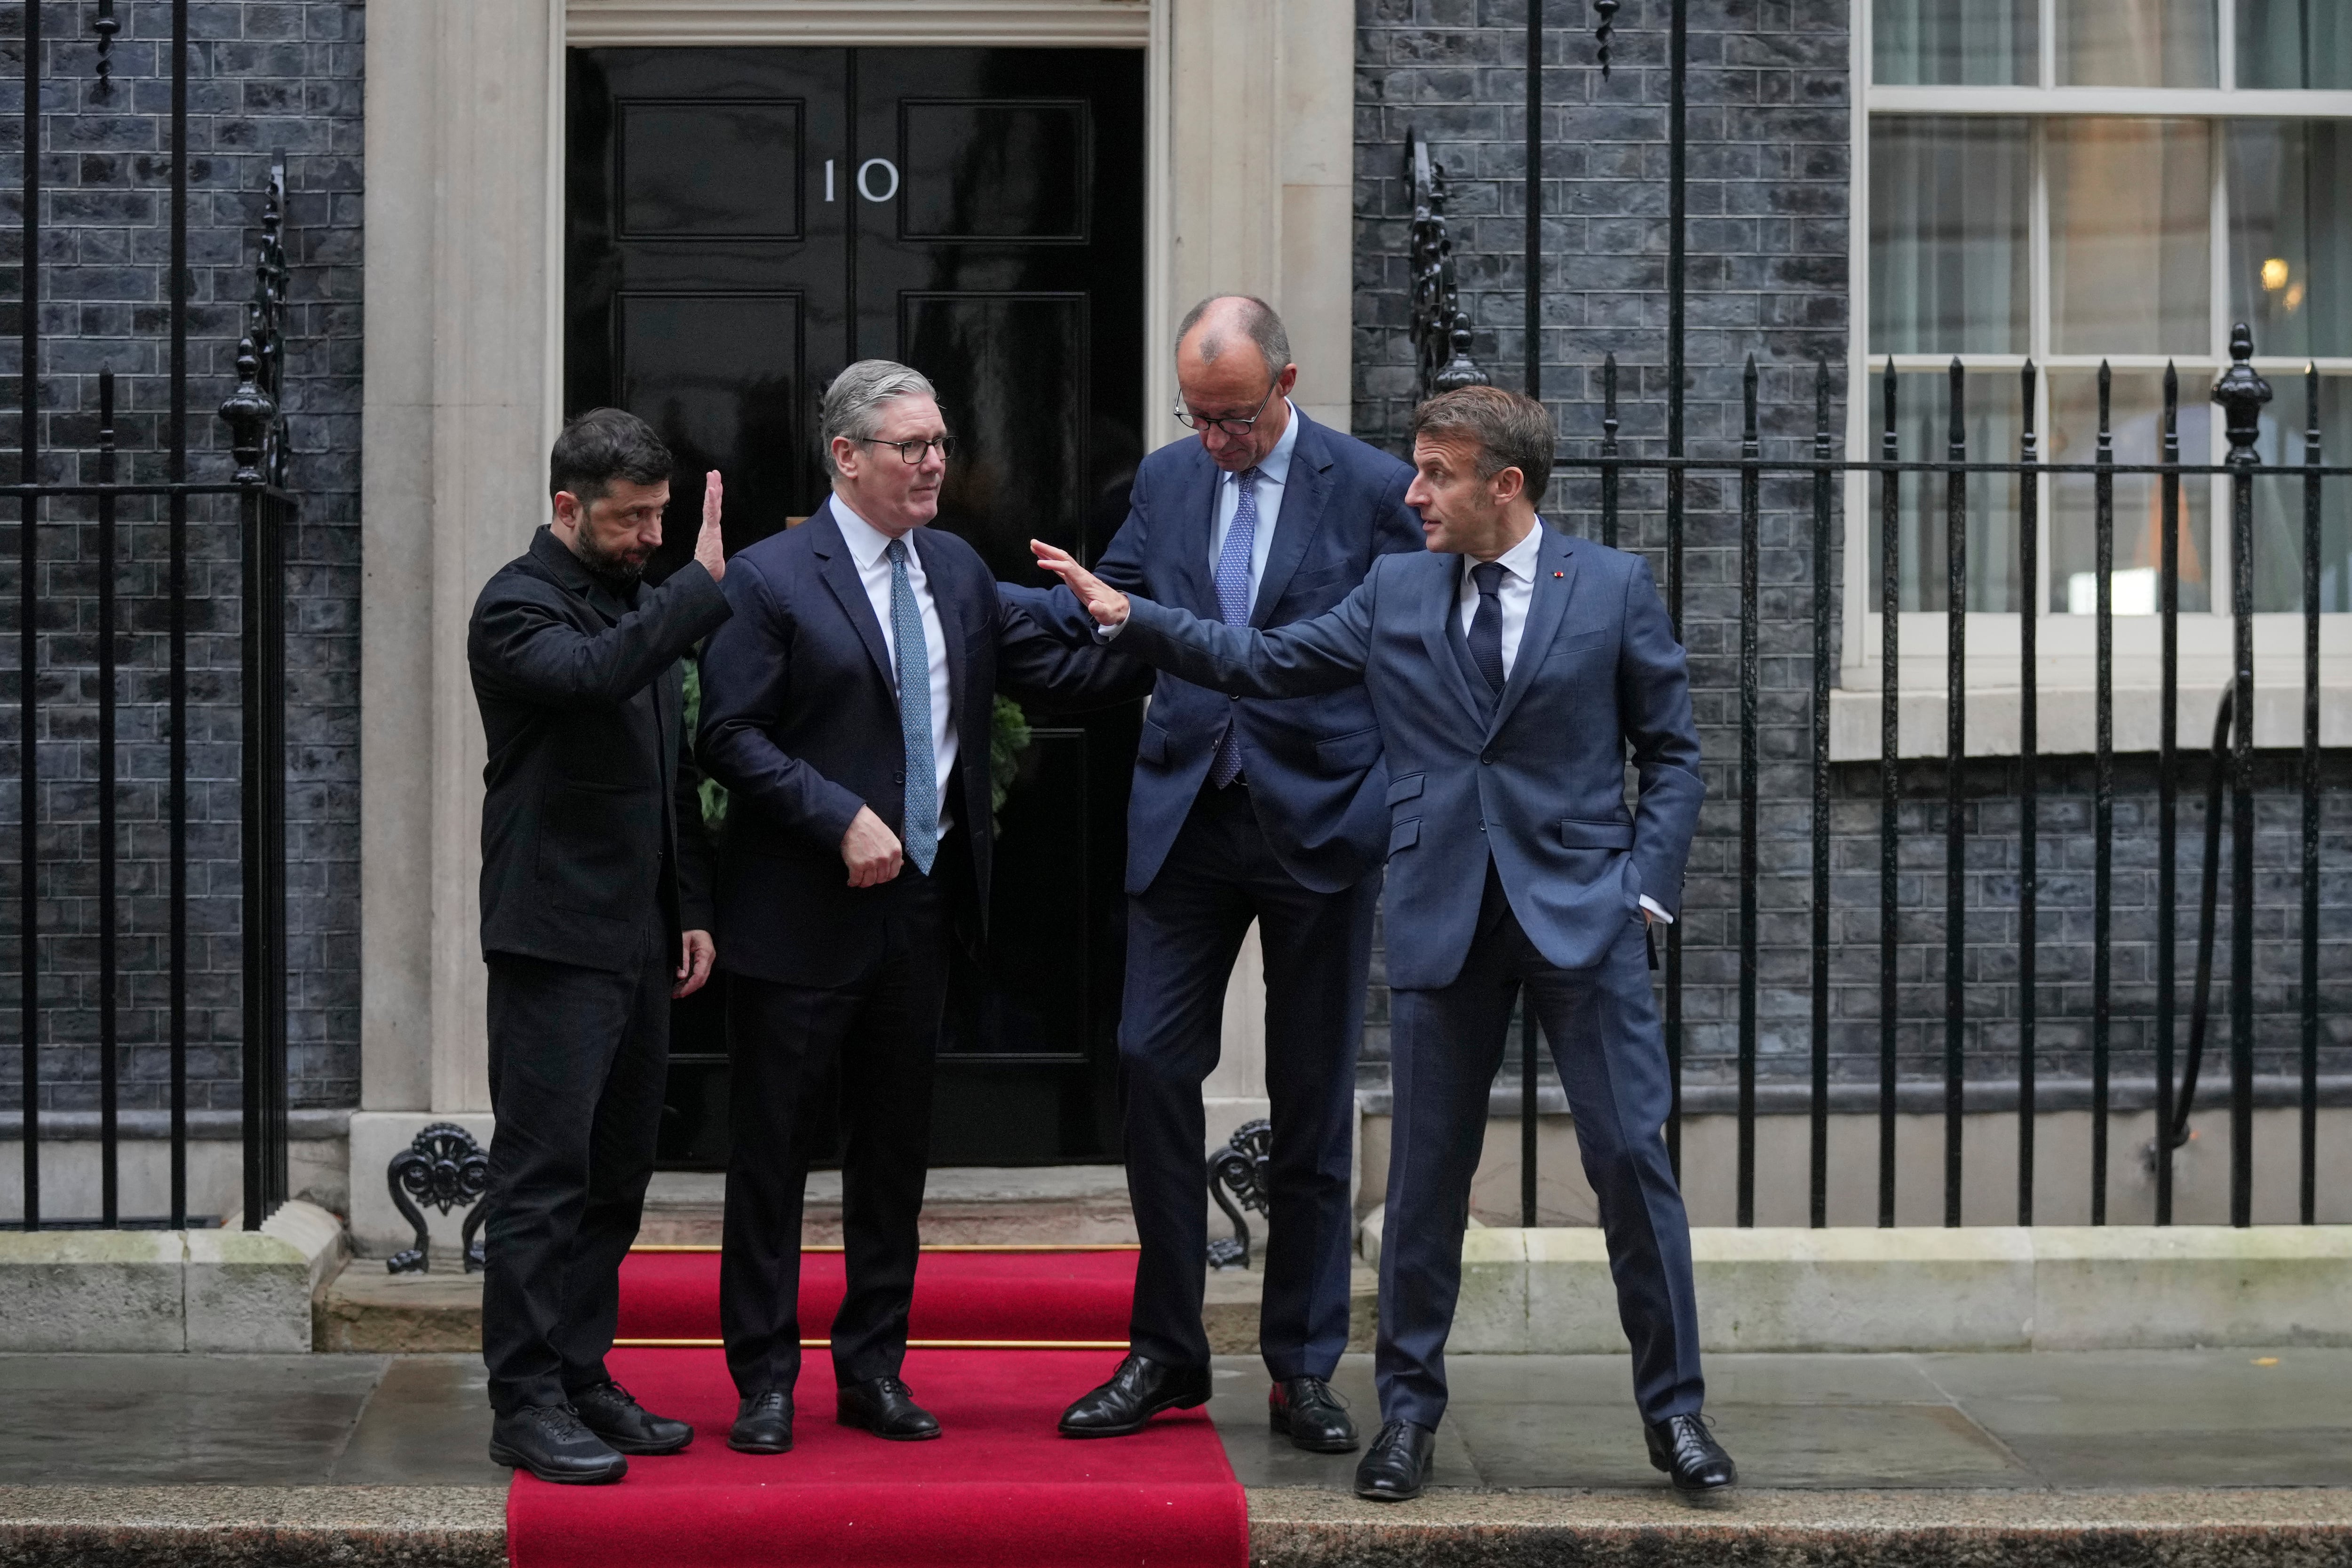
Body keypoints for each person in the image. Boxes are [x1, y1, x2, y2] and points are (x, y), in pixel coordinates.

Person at [1031, 384, 1736, 1502]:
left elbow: (1676, 754)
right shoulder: (1398, 586)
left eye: (1437, 474)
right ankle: (1406, 1412)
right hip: (1442, 909)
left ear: (1504, 485)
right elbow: (1265, 660)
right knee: (1421, 1182)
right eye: (1415, 468)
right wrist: (1131, 615)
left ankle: (1677, 1412)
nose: (1412, 492)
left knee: (1629, 1164)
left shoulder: (1607, 586)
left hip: (1580, 919)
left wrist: (1642, 894)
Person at [696, 360, 1140, 1457]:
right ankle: (762, 1379)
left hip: (920, 915)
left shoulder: (953, 568)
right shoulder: (769, 578)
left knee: (892, 1154)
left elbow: (1049, 671)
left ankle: (873, 1370)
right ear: (846, 457)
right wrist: (834, 814)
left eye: (940, 441)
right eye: (911, 445)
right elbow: (726, 734)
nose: (934, 460)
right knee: (773, 1154)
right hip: (799, 916)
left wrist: (1132, 628)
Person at [1011, 296, 1421, 1452]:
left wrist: (1385, 787)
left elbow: (1397, 657)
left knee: (1308, 1099)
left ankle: (1300, 1367)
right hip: (1186, 809)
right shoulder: (1169, 476)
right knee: (1149, 1060)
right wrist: (964, 607)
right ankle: (1166, 1350)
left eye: (1235, 418)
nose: (1217, 440)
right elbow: (1111, 611)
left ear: (1285, 387)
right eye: (1198, 416)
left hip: (1318, 815)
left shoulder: (1379, 487)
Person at [469, 408, 732, 1485]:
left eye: (663, 517)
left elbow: (667, 773)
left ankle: (581, 1372)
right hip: (551, 935)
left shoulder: (635, 602)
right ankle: (523, 1398)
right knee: (544, 1177)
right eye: (631, 519)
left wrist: (692, 904)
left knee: (616, 1176)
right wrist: (696, 590)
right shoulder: (517, 605)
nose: (651, 538)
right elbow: (592, 678)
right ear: (567, 507)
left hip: (637, 936)